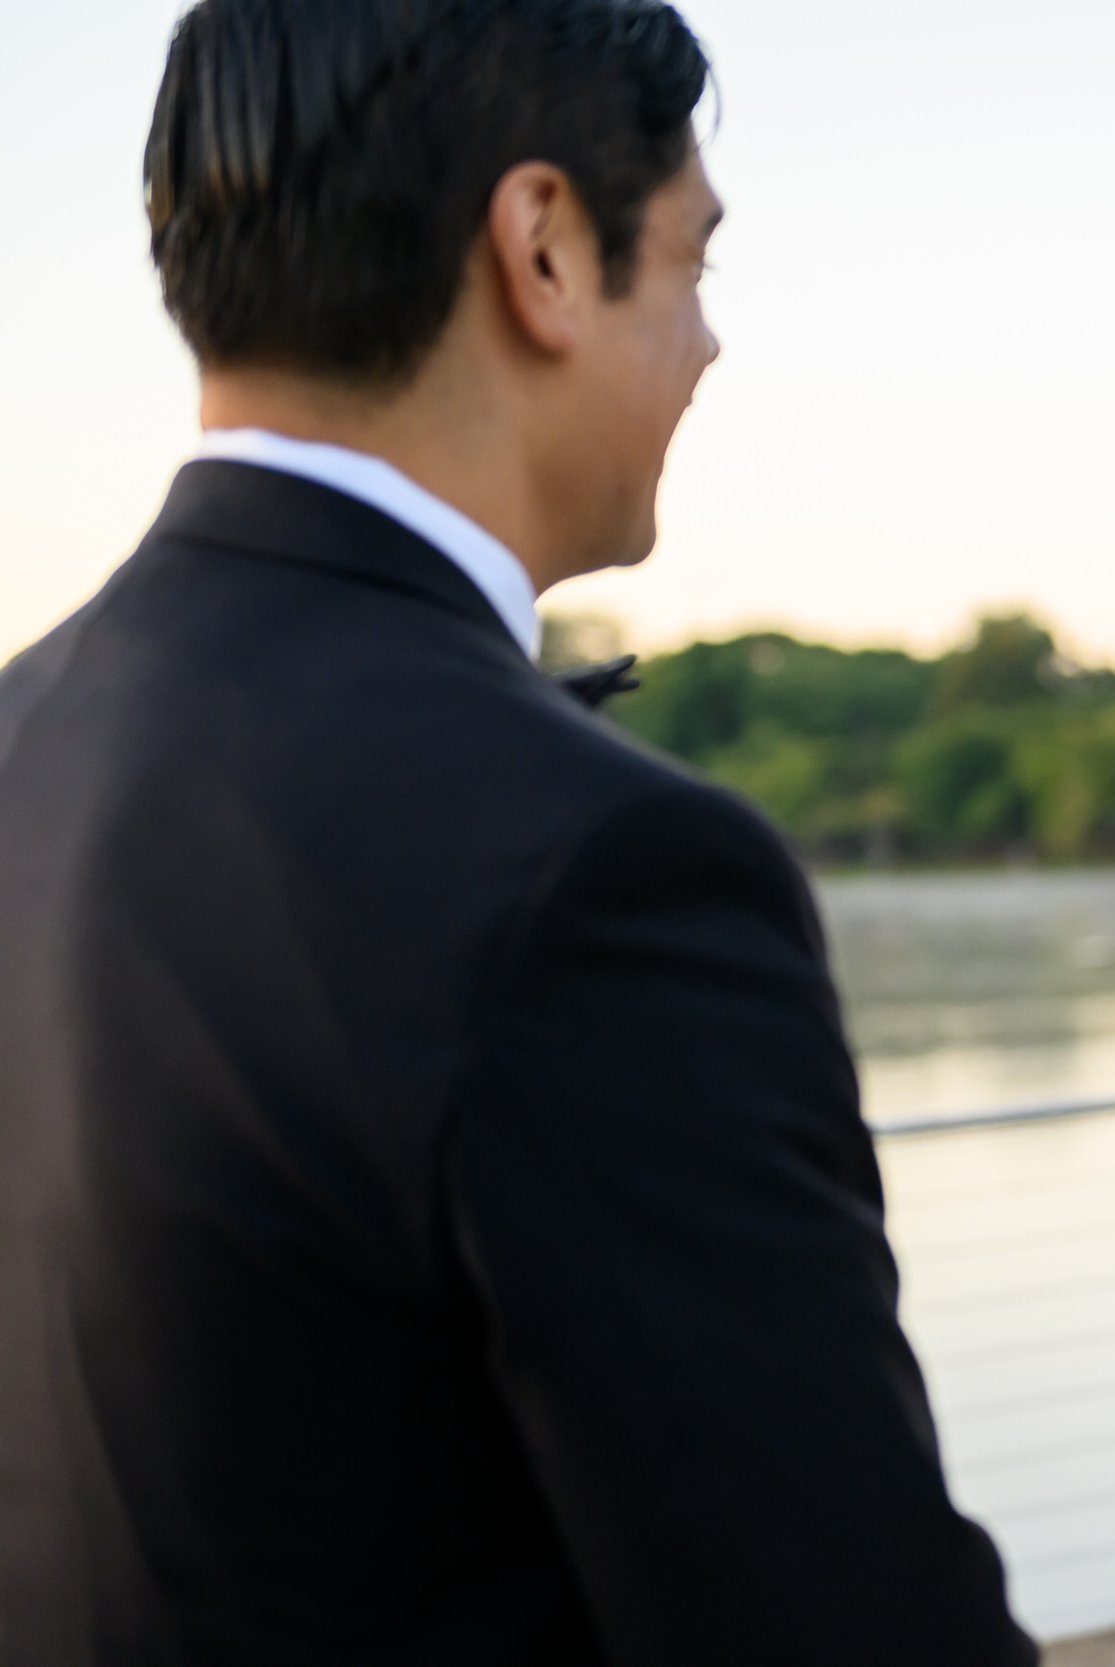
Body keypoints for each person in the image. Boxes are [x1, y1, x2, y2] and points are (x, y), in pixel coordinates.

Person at [0, 2, 1034, 1661]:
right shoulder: (594, 868)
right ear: (544, 249)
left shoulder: (19, 744)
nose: (709, 343)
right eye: (695, 262)